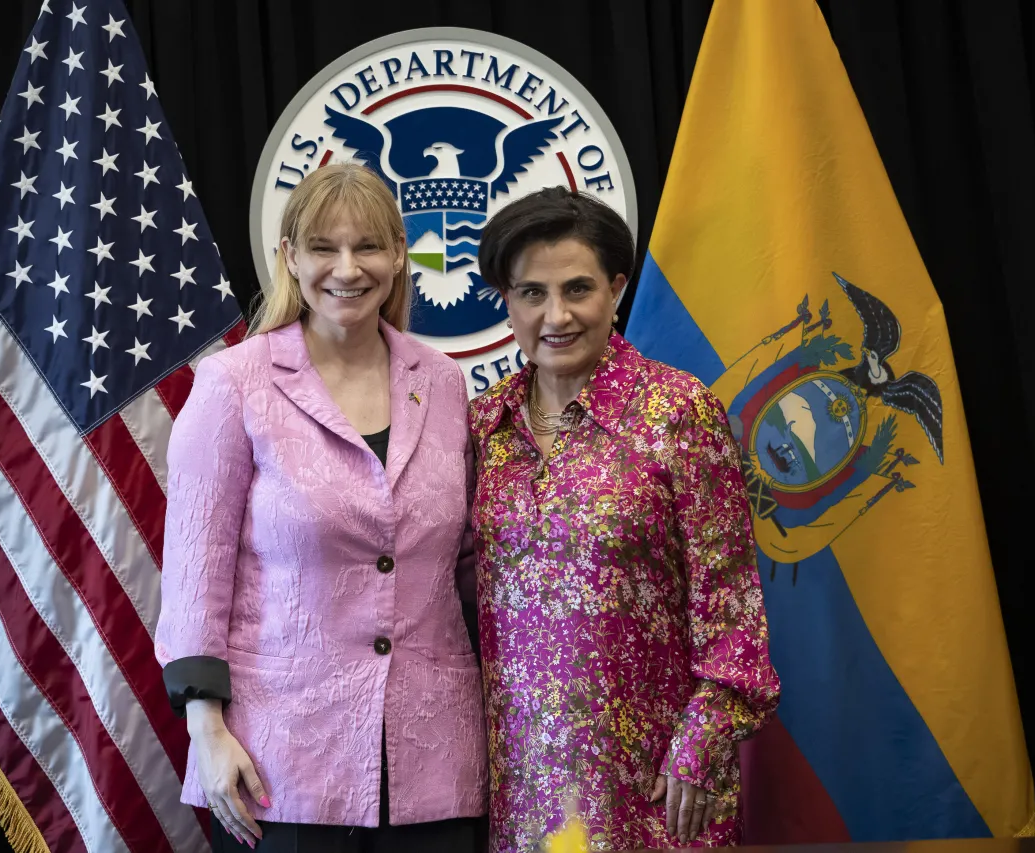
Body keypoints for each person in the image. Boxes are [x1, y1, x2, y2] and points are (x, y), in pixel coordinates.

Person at [155, 162, 486, 852]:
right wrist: (206, 729)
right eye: (323, 248)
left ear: (400, 255)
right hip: (278, 764)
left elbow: (467, 566)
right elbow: (195, 568)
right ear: (288, 258)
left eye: (368, 246)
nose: (347, 267)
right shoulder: (232, 383)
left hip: (437, 763)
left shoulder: (445, 383)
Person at [469, 187, 781, 852]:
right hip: (523, 792)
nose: (556, 315)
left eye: (577, 289)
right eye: (530, 293)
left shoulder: (679, 414)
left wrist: (699, 750)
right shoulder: (480, 428)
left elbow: (734, 616)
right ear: (506, 300)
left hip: (660, 790)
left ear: (615, 289)